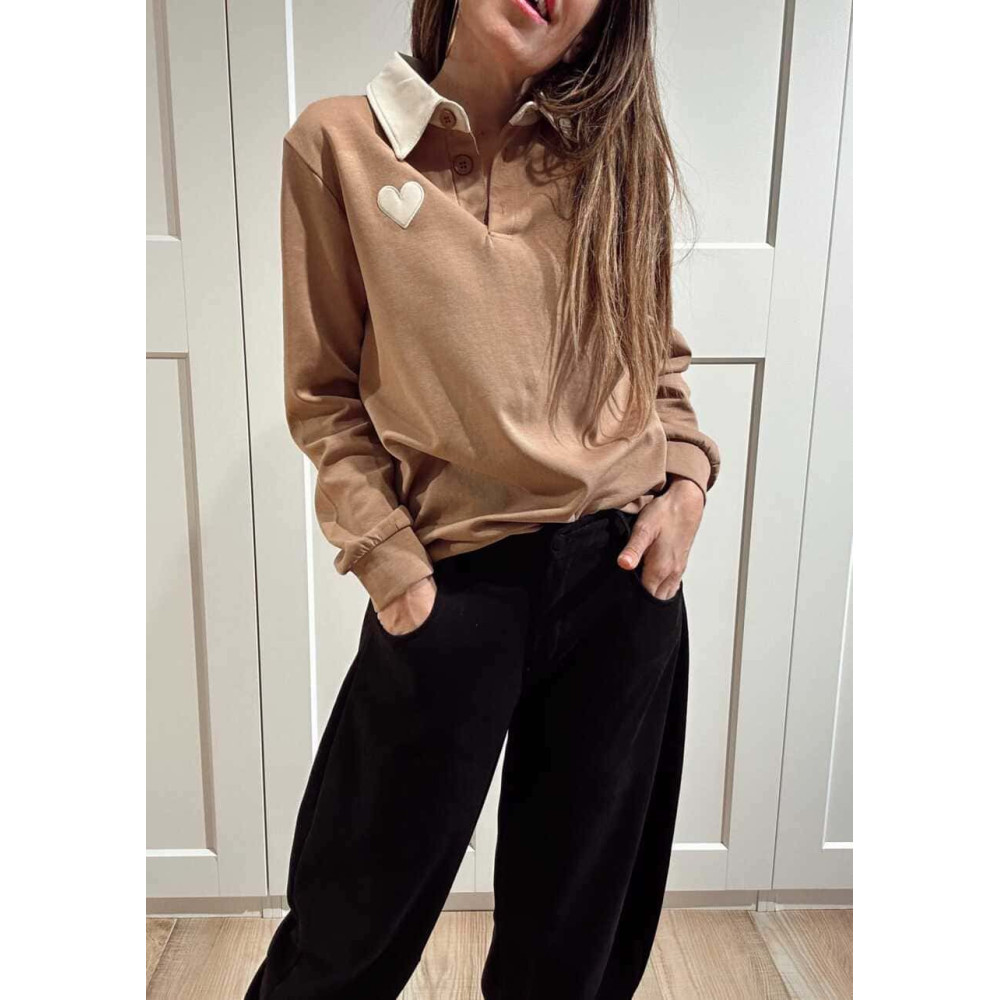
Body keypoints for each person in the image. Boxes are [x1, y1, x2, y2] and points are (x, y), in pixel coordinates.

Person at [245, 0, 721, 997]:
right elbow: (324, 395)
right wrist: (394, 569)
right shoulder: (339, 144)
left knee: (573, 950)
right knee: (346, 926)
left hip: (623, 580)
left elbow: (656, 357)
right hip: (451, 584)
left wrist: (684, 483)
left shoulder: (612, 151)